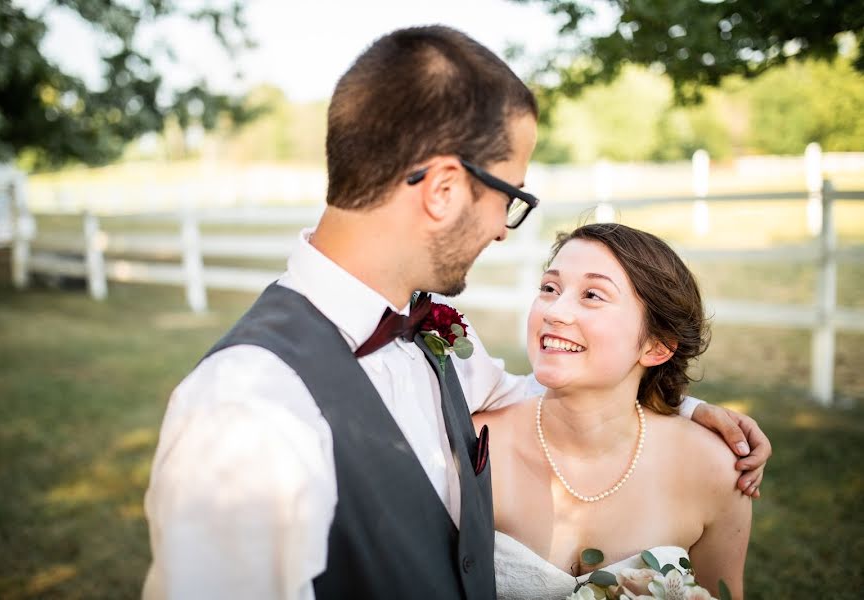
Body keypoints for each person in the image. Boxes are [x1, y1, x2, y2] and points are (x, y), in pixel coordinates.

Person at [142, 26, 768, 600]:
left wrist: (686, 411)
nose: (502, 229)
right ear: (444, 189)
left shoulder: (429, 339)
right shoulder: (247, 408)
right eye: (509, 197)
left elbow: (555, 394)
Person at [475, 224, 752, 599]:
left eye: (592, 295)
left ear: (656, 347)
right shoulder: (475, 447)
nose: (555, 311)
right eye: (549, 288)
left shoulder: (717, 468)